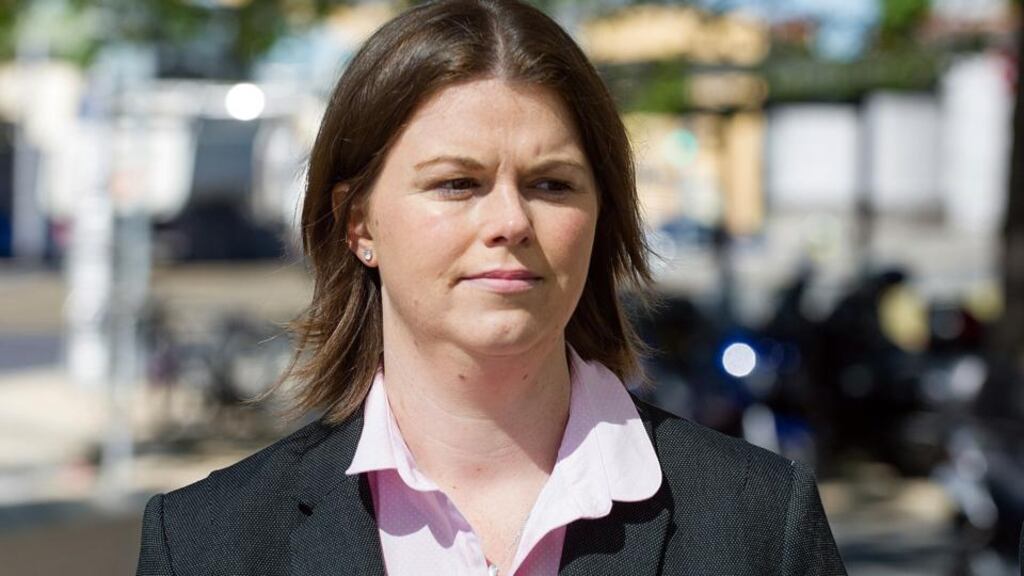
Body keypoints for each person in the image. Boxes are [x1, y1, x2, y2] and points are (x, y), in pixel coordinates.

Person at [136, 0, 847, 574]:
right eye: (457, 183)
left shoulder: (757, 522)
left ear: (604, 215)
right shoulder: (206, 543)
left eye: (551, 184)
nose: (510, 219)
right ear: (358, 223)